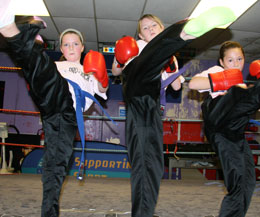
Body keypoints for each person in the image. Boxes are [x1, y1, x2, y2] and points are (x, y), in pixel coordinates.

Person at [111, 7, 237, 217]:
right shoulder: (138, 45)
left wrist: (170, 68)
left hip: (150, 102)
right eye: (146, 28)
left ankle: (145, 211)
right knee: (144, 161)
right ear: (140, 35)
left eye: (154, 26)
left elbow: (177, 88)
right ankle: (184, 32)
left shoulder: (169, 56)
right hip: (135, 85)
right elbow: (116, 72)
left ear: (160, 27)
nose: (150, 29)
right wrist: (120, 58)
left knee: (153, 163)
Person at [0, 1, 109, 216]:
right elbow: (39, 73)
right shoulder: (56, 65)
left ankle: (9, 29)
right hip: (51, 101)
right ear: (60, 49)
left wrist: (100, 74)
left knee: (55, 165)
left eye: (75, 44)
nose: (70, 48)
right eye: (66, 44)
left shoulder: (88, 70)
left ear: (82, 47)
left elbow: (103, 89)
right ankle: (12, 30)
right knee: (39, 65)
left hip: (67, 115)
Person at [188, 41, 259, 217]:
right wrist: (223, 80)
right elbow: (193, 84)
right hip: (219, 122)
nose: (235, 64)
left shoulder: (241, 85)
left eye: (240, 59)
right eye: (230, 60)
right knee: (237, 92)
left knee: (248, 181)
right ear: (221, 62)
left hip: (235, 133)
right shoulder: (217, 71)